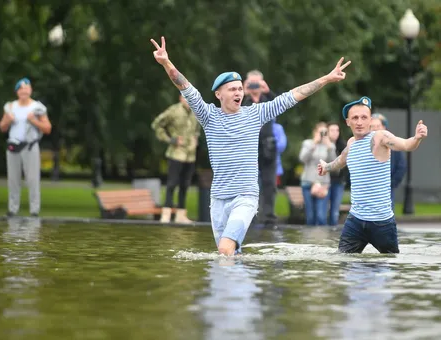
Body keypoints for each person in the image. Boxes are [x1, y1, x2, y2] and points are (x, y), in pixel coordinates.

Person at [150, 36, 351, 255]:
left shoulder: (256, 114)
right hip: (217, 199)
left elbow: (293, 96)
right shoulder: (208, 116)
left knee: (226, 249)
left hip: (245, 196)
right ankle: (242, 285)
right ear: (218, 94)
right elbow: (185, 87)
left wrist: (326, 79)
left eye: (239, 89)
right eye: (232, 89)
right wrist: (166, 62)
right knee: (228, 256)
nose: (238, 93)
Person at [318, 96, 428, 253]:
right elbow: (341, 160)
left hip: (382, 223)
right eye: (355, 118)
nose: (360, 122)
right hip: (355, 221)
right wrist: (326, 167)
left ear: (370, 120)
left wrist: (417, 138)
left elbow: (405, 145)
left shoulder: (380, 138)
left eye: (364, 117)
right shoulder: (351, 143)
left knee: (390, 263)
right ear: (347, 122)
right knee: (342, 261)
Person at [0, 78, 52, 217]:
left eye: (27, 88)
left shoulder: (37, 107)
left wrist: (33, 121)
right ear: (17, 92)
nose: (24, 90)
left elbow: (47, 128)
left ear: (31, 90)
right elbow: (2, 127)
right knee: (13, 179)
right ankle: (12, 209)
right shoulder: (10, 107)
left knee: (33, 179)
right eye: (21, 88)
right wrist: (7, 120)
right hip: (13, 145)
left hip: (30, 146)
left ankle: (34, 210)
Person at [151, 95, 201, 224]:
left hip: (190, 154)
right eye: (186, 98)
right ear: (180, 98)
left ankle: (181, 214)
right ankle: (166, 214)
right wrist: (170, 139)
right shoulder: (173, 111)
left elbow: (196, 129)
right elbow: (157, 124)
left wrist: (195, 138)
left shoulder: (196, 111)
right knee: (172, 184)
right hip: (176, 153)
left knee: (185, 185)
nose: (189, 101)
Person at [242, 70, 280, 226]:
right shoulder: (244, 101)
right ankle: (249, 215)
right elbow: (234, 112)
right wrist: (244, 93)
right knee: (248, 183)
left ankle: (269, 216)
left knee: (269, 183)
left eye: (257, 83)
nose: (255, 86)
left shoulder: (268, 99)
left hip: (268, 147)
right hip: (249, 146)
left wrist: (268, 91)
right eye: (252, 83)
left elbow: (280, 104)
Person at [299, 122, 336, 225]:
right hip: (308, 182)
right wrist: (314, 144)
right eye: (320, 132)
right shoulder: (308, 143)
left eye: (325, 132)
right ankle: (310, 238)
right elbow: (303, 158)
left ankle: (321, 239)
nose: (322, 135)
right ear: (315, 132)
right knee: (310, 216)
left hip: (323, 183)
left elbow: (334, 163)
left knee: (321, 216)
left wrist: (329, 147)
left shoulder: (330, 146)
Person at [370, 113, 407, 209]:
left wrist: (391, 183)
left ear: (384, 127)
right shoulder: (363, 145)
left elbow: (401, 166)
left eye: (377, 126)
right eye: (372, 126)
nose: (375, 129)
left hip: (386, 190)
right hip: (367, 190)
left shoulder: (392, 143)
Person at [327, 122, 347, 225]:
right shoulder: (323, 145)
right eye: (332, 130)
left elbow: (342, 166)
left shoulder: (343, 145)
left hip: (338, 181)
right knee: (324, 208)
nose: (335, 133)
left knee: (335, 210)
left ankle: (333, 230)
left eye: (337, 130)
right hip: (325, 181)